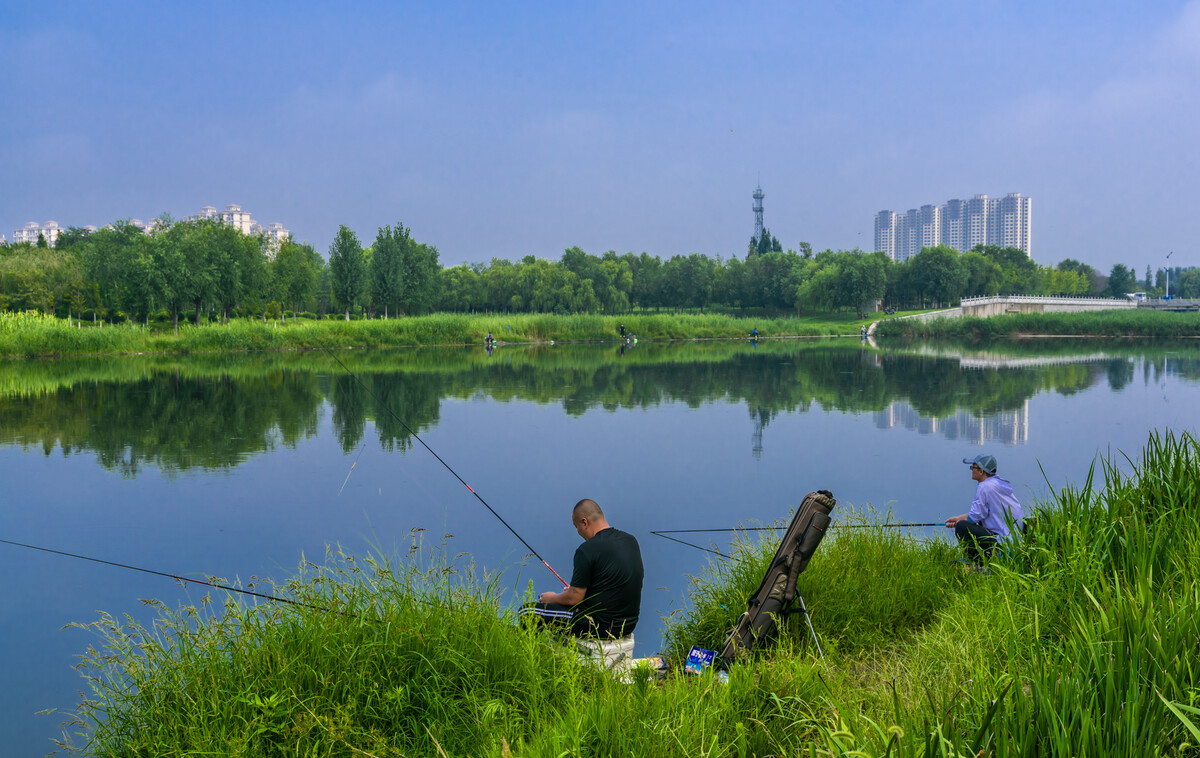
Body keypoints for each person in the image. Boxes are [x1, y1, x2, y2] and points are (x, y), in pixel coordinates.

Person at [529, 498, 643, 639]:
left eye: (576, 526)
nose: (578, 531)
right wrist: (580, 593)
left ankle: (537, 656)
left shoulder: (587, 549)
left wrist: (552, 598)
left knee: (528, 612)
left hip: (600, 626)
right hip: (627, 625)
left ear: (584, 522)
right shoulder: (630, 541)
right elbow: (612, 586)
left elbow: (574, 598)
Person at [945, 453, 1025, 564]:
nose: (971, 470)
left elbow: (974, 518)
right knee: (961, 523)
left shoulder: (984, 487)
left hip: (1002, 544)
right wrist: (958, 518)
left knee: (961, 527)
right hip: (1014, 543)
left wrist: (958, 522)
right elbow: (980, 513)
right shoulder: (998, 484)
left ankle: (973, 562)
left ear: (981, 471)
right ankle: (984, 559)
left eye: (973, 467)